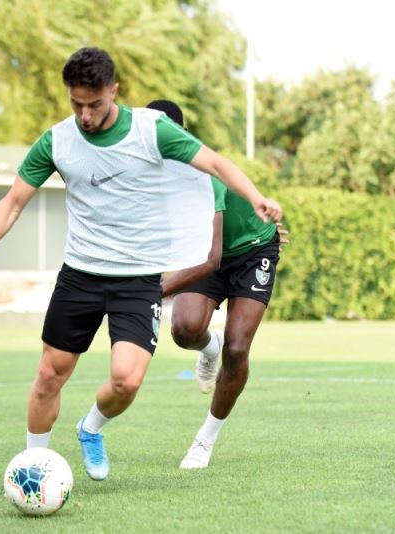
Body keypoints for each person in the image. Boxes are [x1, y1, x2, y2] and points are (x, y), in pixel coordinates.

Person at [0, 47, 282, 482]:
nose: (85, 116)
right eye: (77, 104)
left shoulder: (152, 131)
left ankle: (90, 428)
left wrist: (256, 197)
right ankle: (34, 466)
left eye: (94, 104)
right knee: (50, 374)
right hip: (81, 273)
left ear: (114, 91)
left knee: (127, 381)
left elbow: (216, 163)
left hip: (136, 277)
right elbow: (14, 201)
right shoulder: (57, 141)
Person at [157, 100, 286, 470]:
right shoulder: (149, 172)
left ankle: (205, 440)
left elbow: (212, 259)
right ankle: (208, 347)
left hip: (250, 250)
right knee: (184, 330)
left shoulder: (199, 169)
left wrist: (152, 291)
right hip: (203, 251)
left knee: (238, 346)